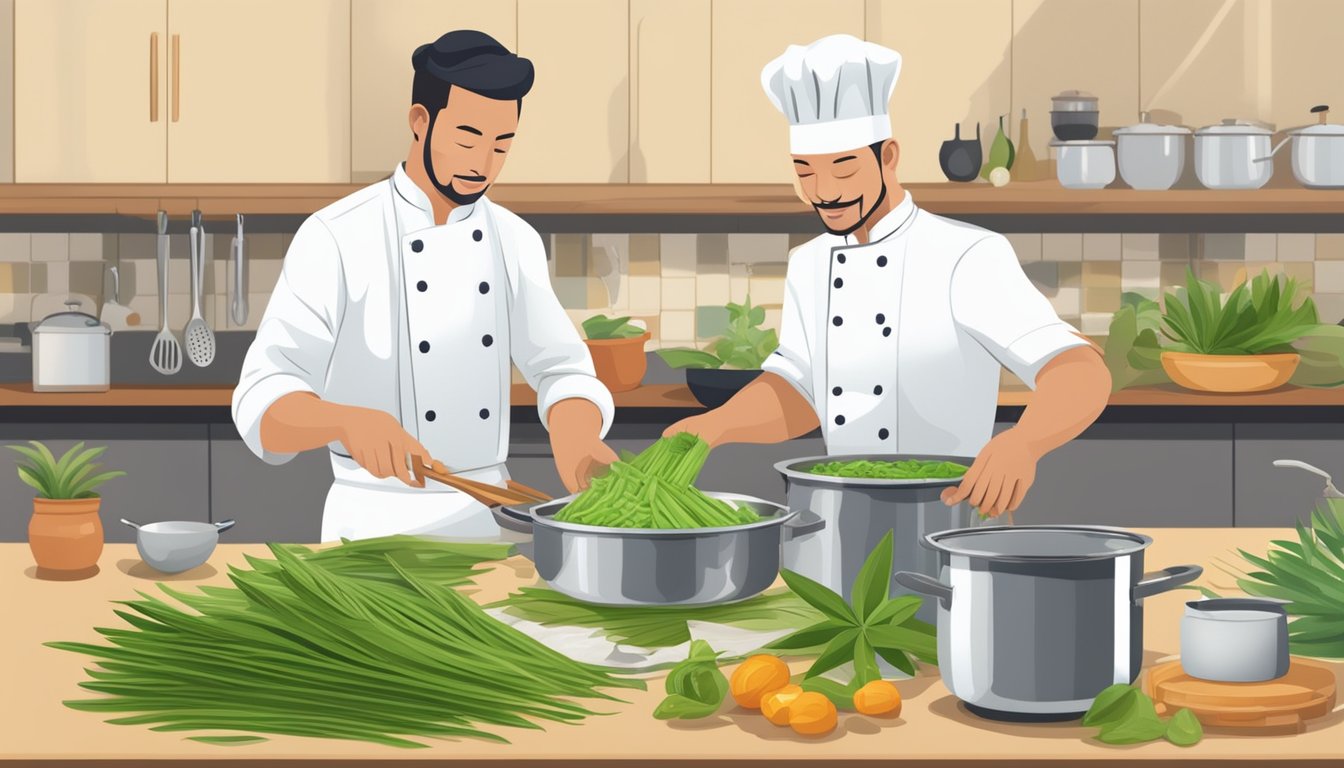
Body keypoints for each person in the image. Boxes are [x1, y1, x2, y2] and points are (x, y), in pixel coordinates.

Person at [668, 34, 1110, 518]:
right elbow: (801, 393)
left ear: (889, 156)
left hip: (950, 512)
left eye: (843, 168)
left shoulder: (966, 253)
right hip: (839, 513)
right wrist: (715, 427)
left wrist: (1024, 442)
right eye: (805, 171)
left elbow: (1079, 371)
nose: (825, 192)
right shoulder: (810, 263)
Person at [233, 30, 617, 541]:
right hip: (368, 527)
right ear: (420, 122)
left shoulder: (514, 239)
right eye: (467, 138)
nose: (483, 164)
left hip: (489, 519)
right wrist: (345, 421)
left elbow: (561, 369)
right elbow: (264, 396)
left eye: (502, 144)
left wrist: (576, 434)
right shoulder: (336, 235)